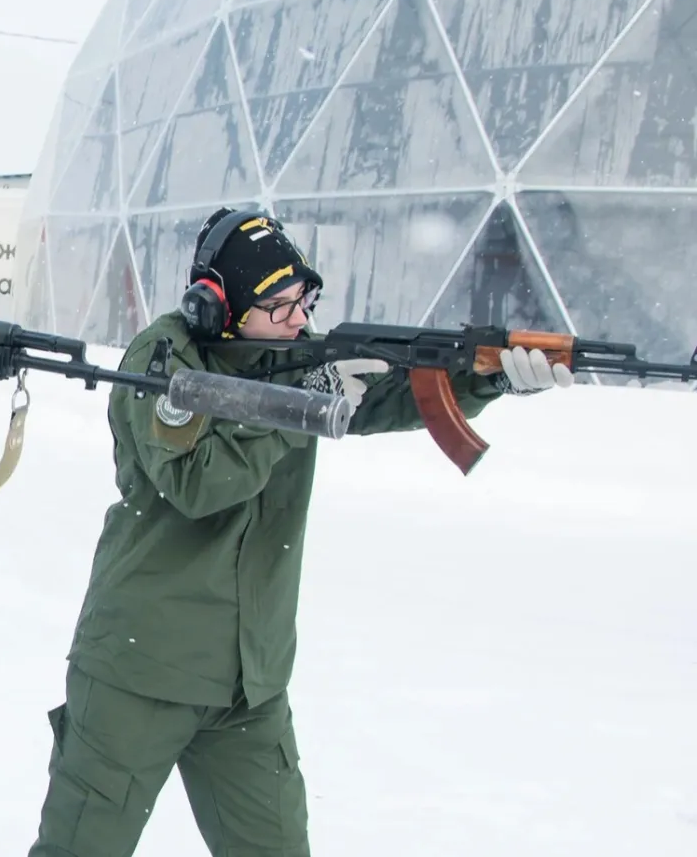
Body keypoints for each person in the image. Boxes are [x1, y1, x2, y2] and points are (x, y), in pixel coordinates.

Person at [28, 206, 572, 857]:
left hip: (250, 684)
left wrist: (483, 376)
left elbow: (389, 398)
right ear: (217, 305)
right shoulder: (164, 357)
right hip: (142, 672)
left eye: (304, 299)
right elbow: (196, 484)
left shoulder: (295, 358)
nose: (298, 319)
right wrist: (305, 404)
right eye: (278, 304)